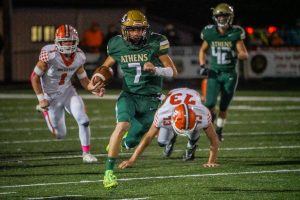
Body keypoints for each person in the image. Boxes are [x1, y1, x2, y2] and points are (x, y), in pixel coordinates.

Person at [89, 10, 178, 189]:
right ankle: (109, 173)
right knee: (122, 125)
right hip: (129, 95)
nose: (137, 33)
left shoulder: (155, 42)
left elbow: (173, 72)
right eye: (132, 30)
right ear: (124, 30)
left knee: (130, 143)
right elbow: (105, 68)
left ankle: (123, 142)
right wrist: (96, 82)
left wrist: (156, 70)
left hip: (151, 99)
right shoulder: (117, 44)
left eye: (140, 29)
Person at [31, 24, 104, 163]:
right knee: (60, 135)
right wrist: (41, 99)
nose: (67, 44)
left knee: (84, 120)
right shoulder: (49, 54)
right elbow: (34, 77)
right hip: (50, 96)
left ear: (75, 41)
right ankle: (45, 112)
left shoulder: (79, 56)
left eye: (70, 41)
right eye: (64, 41)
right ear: (58, 41)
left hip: (67, 92)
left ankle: (86, 154)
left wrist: (94, 89)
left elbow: (84, 80)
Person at [118, 88, 219, 169]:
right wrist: (132, 160)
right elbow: (148, 137)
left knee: (193, 132)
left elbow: (213, 139)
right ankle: (171, 139)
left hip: (192, 98)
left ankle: (191, 145)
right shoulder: (163, 114)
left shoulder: (203, 114)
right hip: (173, 94)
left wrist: (211, 161)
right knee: (162, 141)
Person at [198, 3, 248, 142]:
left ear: (230, 17)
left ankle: (219, 130)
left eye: (225, 15)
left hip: (229, 74)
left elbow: (244, 53)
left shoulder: (235, 33)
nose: (222, 18)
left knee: (224, 106)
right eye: (219, 15)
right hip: (214, 73)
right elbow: (202, 50)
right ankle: (211, 123)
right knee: (209, 104)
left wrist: (239, 55)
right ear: (215, 17)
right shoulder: (210, 32)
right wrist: (202, 65)